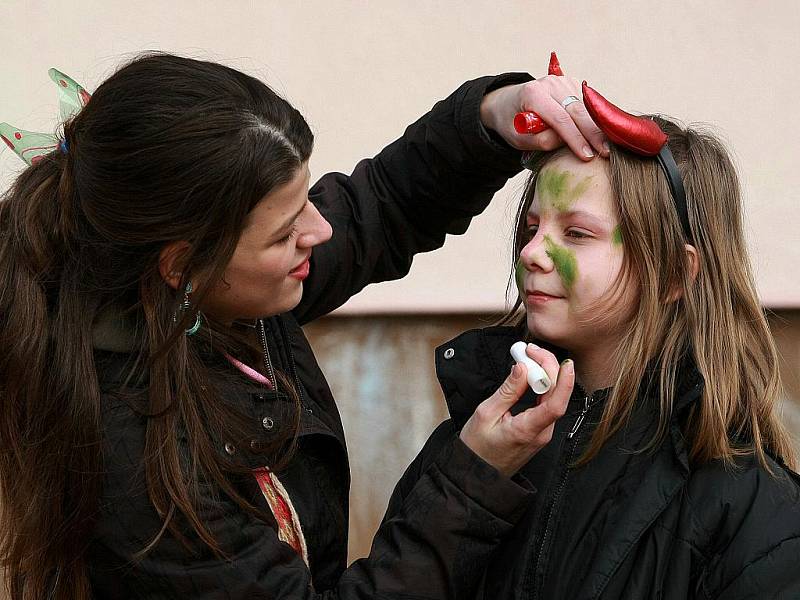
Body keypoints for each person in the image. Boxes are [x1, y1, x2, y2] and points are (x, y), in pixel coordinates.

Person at [0, 53, 605, 598]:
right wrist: (473, 478)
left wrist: (492, 118)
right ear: (183, 264)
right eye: (286, 230)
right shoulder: (136, 464)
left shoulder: (201, 295)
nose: (318, 231)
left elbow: (380, 207)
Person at [385, 84, 800, 598]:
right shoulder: (477, 441)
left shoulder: (747, 505)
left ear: (673, 272)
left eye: (577, 234)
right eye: (532, 227)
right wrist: (471, 481)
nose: (533, 253)